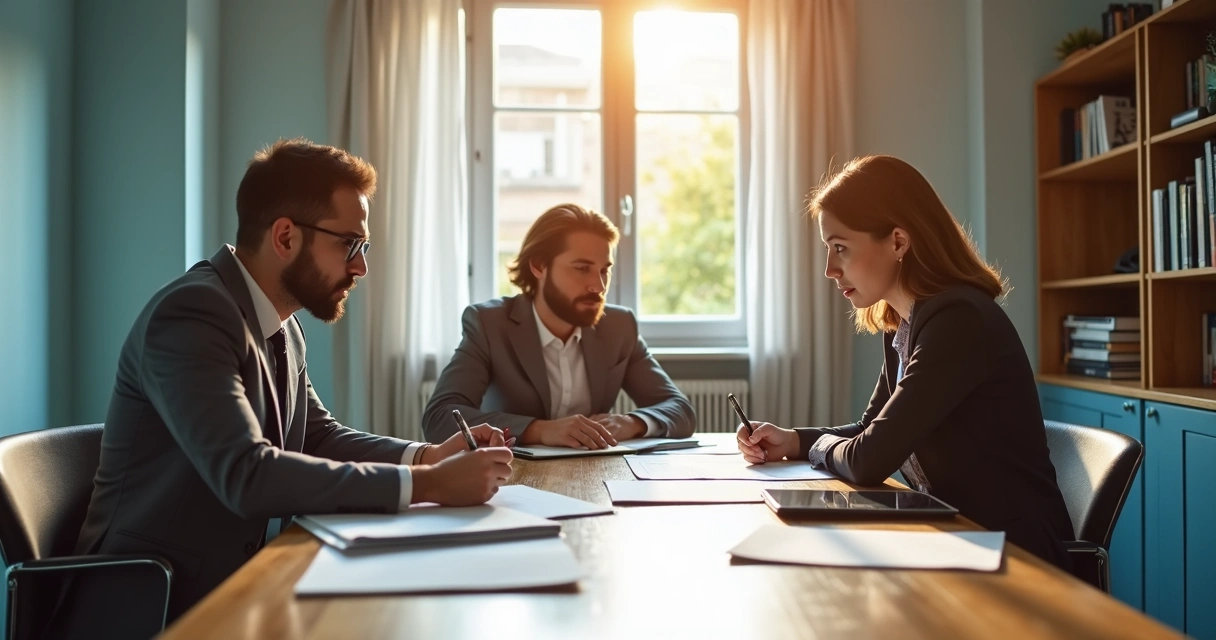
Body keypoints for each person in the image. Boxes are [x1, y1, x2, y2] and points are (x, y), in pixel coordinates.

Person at [61, 139, 514, 633]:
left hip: (237, 587)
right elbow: (246, 474)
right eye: (349, 244)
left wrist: (427, 457)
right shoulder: (192, 314)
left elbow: (318, 436)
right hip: (151, 608)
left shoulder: (282, 325)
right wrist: (431, 486)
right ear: (285, 238)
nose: (360, 266)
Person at [736, 155, 1075, 570]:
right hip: (957, 538)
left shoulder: (959, 321)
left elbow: (867, 458)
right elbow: (869, 430)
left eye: (840, 248)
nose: (829, 269)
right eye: (828, 249)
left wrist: (821, 447)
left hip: (1016, 557)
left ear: (898, 241)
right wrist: (792, 441)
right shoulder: (904, 324)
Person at [422, 204, 696, 449]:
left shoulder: (619, 327)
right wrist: (540, 430)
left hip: (594, 474)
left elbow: (680, 410)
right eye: (582, 268)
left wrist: (631, 422)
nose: (599, 286)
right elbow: (439, 418)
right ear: (539, 266)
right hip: (512, 478)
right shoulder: (489, 324)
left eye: (604, 270)